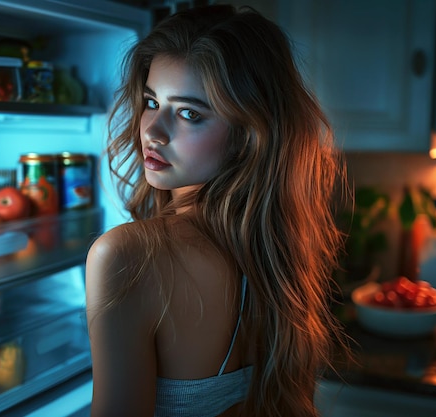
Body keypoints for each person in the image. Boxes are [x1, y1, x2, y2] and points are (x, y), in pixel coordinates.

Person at [85, 4, 349, 417]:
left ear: (248, 136)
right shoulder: (275, 249)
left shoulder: (127, 255)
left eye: (189, 113)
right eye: (152, 101)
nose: (152, 131)